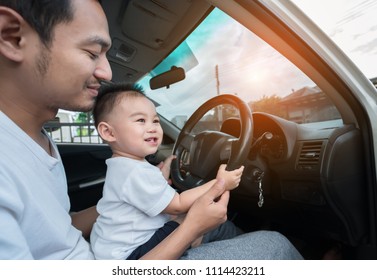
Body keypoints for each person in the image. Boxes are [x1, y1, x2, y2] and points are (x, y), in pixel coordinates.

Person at [0, 0, 303, 260]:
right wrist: (191, 227)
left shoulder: (38, 140)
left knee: (216, 226)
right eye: (93, 52)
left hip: (98, 253)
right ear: (12, 37)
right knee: (275, 245)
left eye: (154, 120)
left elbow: (63, 226)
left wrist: (137, 195)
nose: (106, 72)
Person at [90, 83, 245, 260]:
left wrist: (159, 177)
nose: (153, 127)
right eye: (141, 120)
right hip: (133, 254)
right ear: (108, 132)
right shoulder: (136, 172)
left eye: (155, 120)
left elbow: (141, 193)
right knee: (194, 217)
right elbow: (178, 203)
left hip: (111, 250)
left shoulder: (121, 165)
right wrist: (220, 182)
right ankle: (243, 241)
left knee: (184, 217)